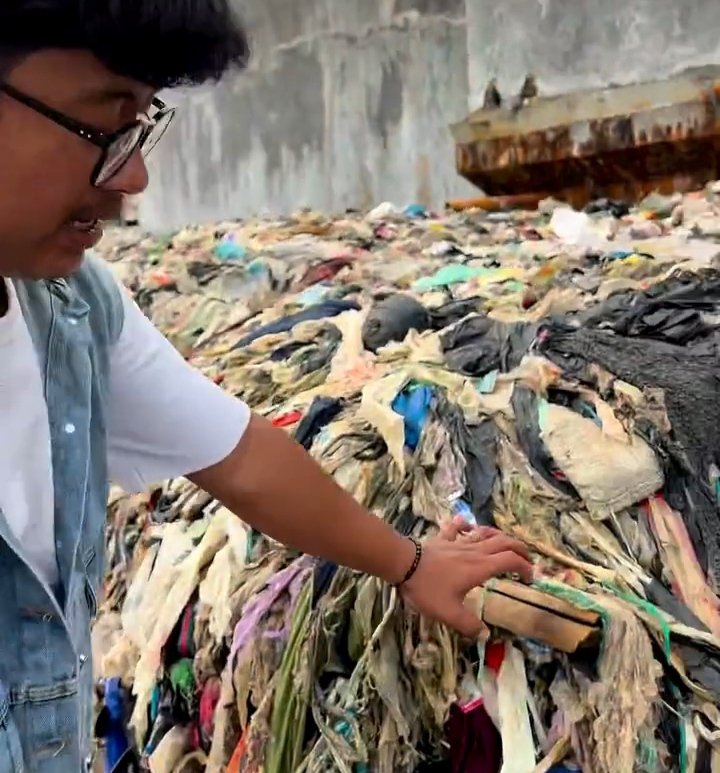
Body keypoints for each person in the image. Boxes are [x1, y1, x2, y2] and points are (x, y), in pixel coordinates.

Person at [0, 2, 533, 770]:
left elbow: (243, 457)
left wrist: (413, 564)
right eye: (105, 123)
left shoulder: (72, 310)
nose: (134, 176)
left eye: (142, 126)